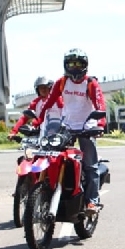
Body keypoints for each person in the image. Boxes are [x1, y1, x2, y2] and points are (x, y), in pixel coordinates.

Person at [34, 49, 107, 213]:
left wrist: (100, 124)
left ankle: (92, 202)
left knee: (90, 166)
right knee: (52, 156)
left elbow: (100, 104)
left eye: (79, 63)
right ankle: (49, 190)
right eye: (71, 64)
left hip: (86, 128)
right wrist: (39, 120)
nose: (75, 67)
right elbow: (48, 103)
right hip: (66, 127)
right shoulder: (61, 82)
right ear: (66, 65)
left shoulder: (90, 83)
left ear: (85, 65)